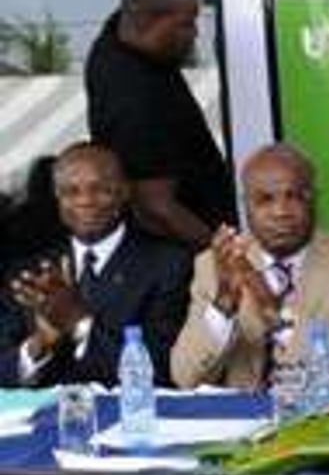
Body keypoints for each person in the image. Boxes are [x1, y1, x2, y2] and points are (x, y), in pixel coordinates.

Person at [84, 0, 235, 250]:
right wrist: (226, 261)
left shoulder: (122, 31)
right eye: (186, 25)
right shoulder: (137, 102)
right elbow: (157, 208)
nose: (194, 35)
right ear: (152, 21)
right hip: (181, 262)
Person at [172, 144, 329, 390]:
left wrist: (276, 317)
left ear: (314, 198)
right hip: (241, 422)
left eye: (294, 197)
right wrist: (224, 302)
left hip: (321, 421)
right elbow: (185, 377)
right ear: (245, 205)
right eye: (264, 200)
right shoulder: (214, 265)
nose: (281, 212)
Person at [0, 143, 191, 387]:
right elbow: (4, 369)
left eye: (100, 189)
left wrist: (79, 322)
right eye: (71, 192)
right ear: (57, 198)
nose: (86, 201)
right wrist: (40, 343)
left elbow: (162, 369)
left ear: (124, 192)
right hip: (47, 420)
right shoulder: (30, 272)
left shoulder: (168, 264)